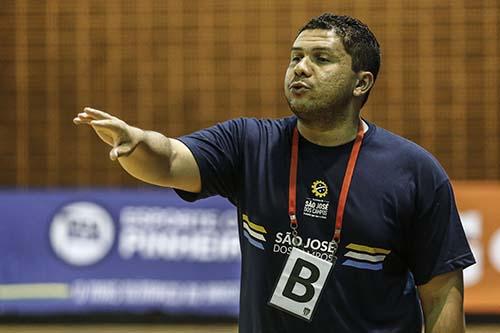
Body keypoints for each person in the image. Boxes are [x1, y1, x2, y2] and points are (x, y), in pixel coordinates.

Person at [74, 13, 475, 333]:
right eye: (295, 56)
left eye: (320, 59)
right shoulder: (248, 143)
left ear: (361, 82)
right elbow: (168, 161)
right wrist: (137, 141)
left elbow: (440, 294)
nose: (300, 68)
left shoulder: (414, 172)